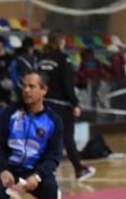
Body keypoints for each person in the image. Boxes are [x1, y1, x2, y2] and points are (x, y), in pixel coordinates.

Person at [37, 29, 95, 181]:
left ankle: (40, 172)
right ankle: (79, 170)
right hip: (61, 106)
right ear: (61, 42)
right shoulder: (63, 59)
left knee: (45, 139)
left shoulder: (41, 59)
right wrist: (75, 103)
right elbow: (68, 85)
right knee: (68, 138)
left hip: (43, 104)